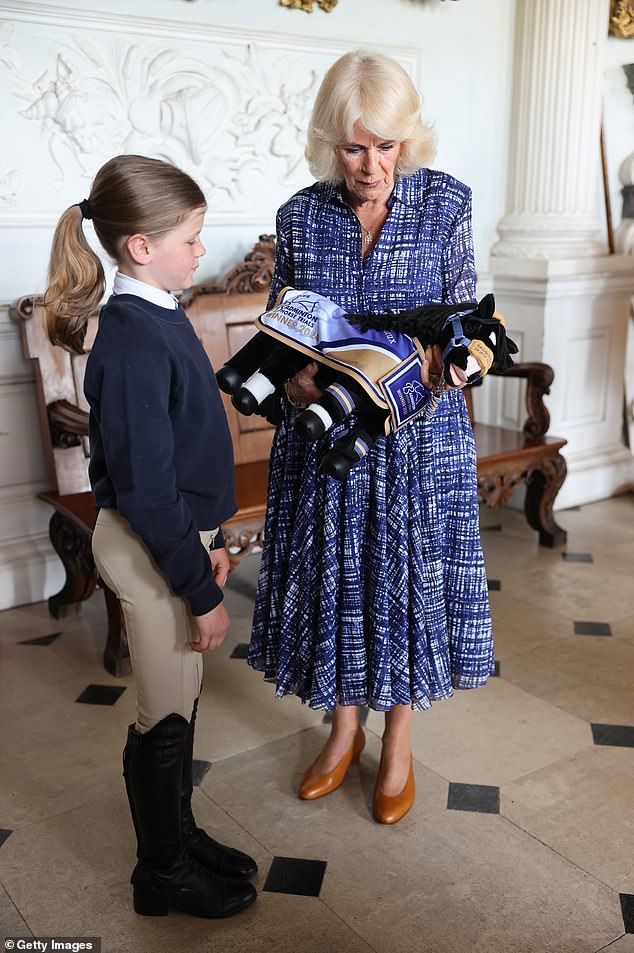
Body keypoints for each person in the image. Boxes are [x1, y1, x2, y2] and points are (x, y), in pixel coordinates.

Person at [248, 50, 494, 825]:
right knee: (338, 586)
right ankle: (343, 730)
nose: (370, 165)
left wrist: (453, 367)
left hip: (417, 441)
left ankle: (397, 744)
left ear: (406, 141)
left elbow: (469, 328)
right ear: (332, 143)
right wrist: (295, 382)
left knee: (407, 586)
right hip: (324, 443)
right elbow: (287, 334)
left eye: (385, 145)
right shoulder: (299, 216)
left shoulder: (446, 205)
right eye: (355, 146)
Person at [42, 155, 257, 918]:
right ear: (140, 246)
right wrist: (202, 591)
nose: (202, 251)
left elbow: (182, 450)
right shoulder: (132, 337)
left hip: (175, 538)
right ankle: (160, 873)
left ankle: (180, 833)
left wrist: (216, 538)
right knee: (162, 711)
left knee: (178, 700)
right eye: (192, 238)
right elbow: (143, 491)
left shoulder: (160, 314)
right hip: (149, 547)